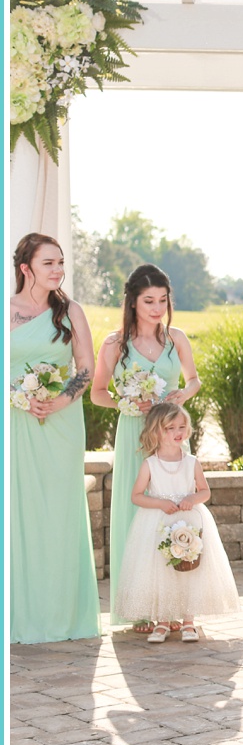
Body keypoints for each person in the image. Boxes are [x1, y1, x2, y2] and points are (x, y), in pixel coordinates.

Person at [92, 260, 200, 619]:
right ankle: (138, 609)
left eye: (163, 301)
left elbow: (194, 381)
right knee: (135, 514)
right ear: (133, 302)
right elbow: (97, 393)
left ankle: (173, 605)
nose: (157, 309)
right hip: (133, 437)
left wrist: (182, 395)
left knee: (174, 511)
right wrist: (126, 401)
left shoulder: (176, 338)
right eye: (149, 301)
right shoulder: (115, 344)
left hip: (171, 438)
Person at [9, 232, 100, 646]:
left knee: (58, 513)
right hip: (14, 422)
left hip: (61, 423)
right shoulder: (5, 311)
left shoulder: (70, 312)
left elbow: (86, 367)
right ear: (25, 268)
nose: (58, 269)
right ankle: (17, 616)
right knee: (18, 513)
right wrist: (16, 395)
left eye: (61, 262)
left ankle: (64, 616)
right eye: (49, 263)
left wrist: (60, 401)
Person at [114, 403, 238, 642]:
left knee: (190, 569)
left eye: (182, 426)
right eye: (171, 427)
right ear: (156, 432)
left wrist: (192, 498)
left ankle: (188, 622)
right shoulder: (150, 464)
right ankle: (162, 621)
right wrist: (160, 503)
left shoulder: (191, 462)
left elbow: (204, 491)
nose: (178, 432)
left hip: (188, 520)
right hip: (158, 523)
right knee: (162, 571)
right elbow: (136, 496)